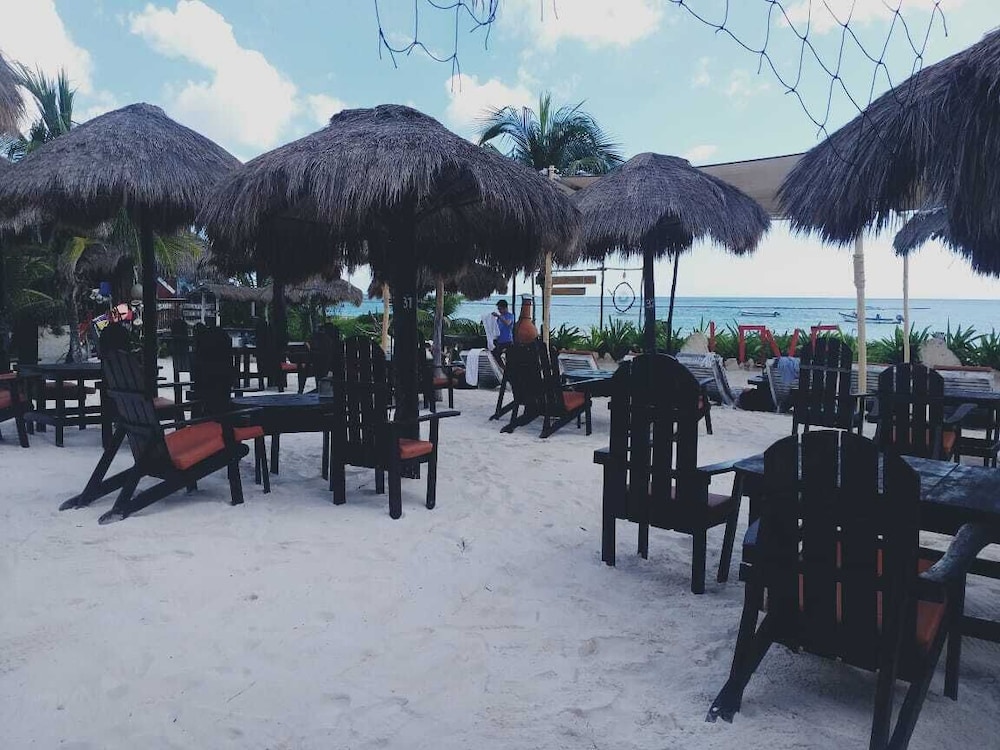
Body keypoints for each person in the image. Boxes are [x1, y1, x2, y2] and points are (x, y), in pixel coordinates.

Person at [491, 299, 516, 364]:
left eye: (500, 309)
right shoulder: (499, 318)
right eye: (498, 309)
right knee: (496, 357)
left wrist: (498, 316)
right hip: (499, 341)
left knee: (508, 359)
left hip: (507, 341)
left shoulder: (510, 316)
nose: (499, 311)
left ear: (505, 308)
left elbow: (507, 323)